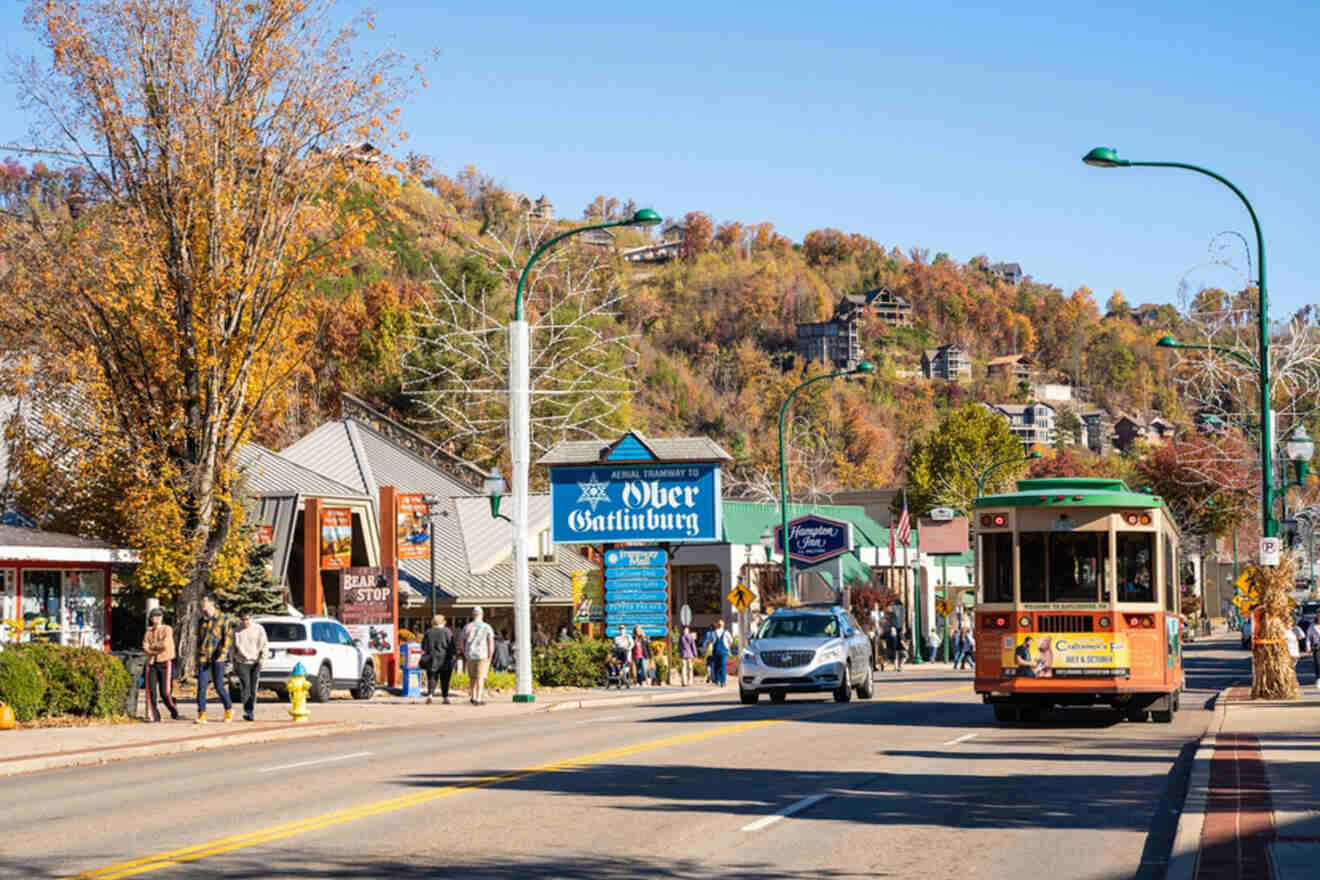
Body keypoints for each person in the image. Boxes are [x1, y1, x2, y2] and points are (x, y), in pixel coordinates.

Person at [195, 592, 234, 723]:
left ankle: (228, 708)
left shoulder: (224, 619)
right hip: (204, 656)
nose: (202, 604)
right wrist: (198, 652)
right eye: (202, 602)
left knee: (218, 685)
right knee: (201, 685)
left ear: (212, 603)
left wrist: (223, 654)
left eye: (204, 601)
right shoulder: (201, 620)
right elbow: (199, 639)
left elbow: (227, 639)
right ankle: (202, 713)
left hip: (218, 657)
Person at [229, 610, 268, 722]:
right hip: (242, 662)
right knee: (246, 687)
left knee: (253, 687)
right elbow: (232, 648)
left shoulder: (259, 629)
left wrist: (262, 660)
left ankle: (251, 708)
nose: (245, 622)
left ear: (251, 618)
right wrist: (232, 662)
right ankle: (248, 711)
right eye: (243, 620)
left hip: (255, 662)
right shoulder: (237, 631)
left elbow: (265, 645)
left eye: (247, 619)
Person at [142, 607, 179, 722]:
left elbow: (165, 645)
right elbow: (145, 646)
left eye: (158, 616)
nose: (156, 618)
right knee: (151, 691)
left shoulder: (167, 629)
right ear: (151, 619)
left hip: (165, 662)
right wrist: (153, 649)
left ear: (162, 618)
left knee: (165, 692)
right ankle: (155, 716)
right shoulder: (148, 631)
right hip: (151, 663)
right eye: (154, 616)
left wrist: (152, 647)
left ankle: (173, 709)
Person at [459, 607, 495, 705]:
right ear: (482, 614)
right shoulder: (487, 627)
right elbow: (490, 642)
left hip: (470, 654)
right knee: (480, 677)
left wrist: (464, 652)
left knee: (472, 677)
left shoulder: (467, 627)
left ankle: (473, 696)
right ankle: (479, 698)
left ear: (473, 615)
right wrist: (490, 654)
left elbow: (461, 642)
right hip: (482, 654)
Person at [420, 614, 456, 704]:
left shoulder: (428, 632)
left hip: (431, 658)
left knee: (432, 678)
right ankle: (445, 697)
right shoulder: (447, 632)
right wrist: (453, 655)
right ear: (443, 622)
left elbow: (423, 646)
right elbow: (451, 646)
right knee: (445, 679)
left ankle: (430, 695)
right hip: (445, 659)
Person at [706, 619, 732, 687]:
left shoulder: (714, 633)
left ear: (717, 625)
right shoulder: (726, 632)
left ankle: (717, 681)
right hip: (723, 651)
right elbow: (731, 640)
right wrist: (728, 647)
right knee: (723, 666)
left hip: (716, 651)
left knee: (717, 666)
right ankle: (723, 682)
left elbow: (710, 641)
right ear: (723, 625)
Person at [1307, 621, 1320, 687]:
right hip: (1317, 647)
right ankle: (1318, 678)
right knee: (1317, 663)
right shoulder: (1312, 626)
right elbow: (1308, 637)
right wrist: (1308, 647)